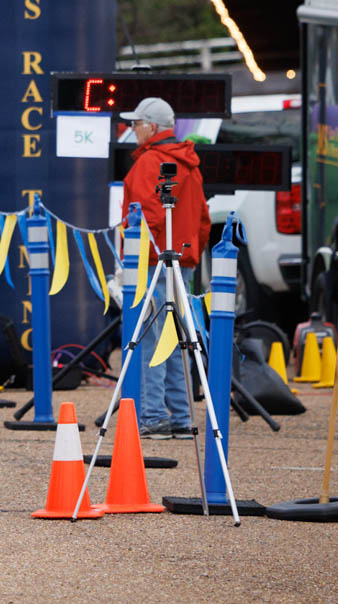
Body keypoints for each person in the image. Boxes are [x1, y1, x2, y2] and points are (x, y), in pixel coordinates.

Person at [119, 97, 208, 440]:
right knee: (178, 339)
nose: (132, 129)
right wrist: (191, 255)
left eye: (136, 124)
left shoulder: (149, 162)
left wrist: (133, 255)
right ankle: (182, 417)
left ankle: (154, 415)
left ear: (152, 127)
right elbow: (201, 217)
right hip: (181, 260)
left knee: (150, 339)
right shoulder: (189, 163)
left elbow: (144, 215)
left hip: (152, 260)